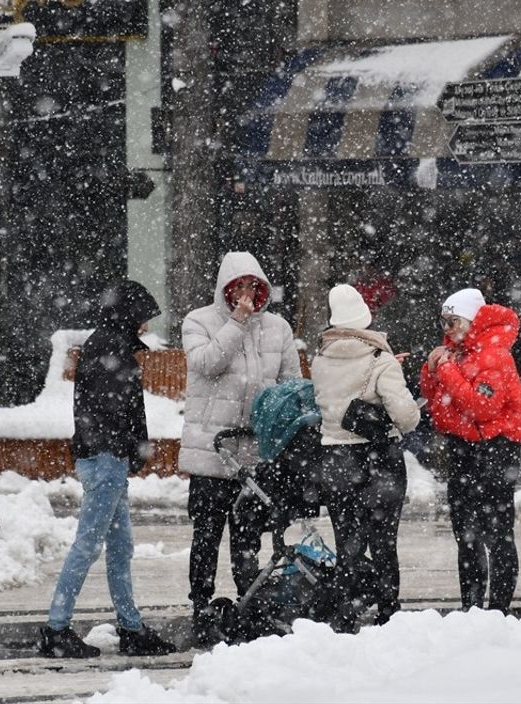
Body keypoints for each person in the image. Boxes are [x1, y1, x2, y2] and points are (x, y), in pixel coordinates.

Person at [37, 280, 177, 659]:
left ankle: (130, 627)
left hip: (103, 458)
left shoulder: (107, 344)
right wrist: (129, 448)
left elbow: (111, 409)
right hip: (105, 460)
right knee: (88, 545)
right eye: (144, 318)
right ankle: (56, 629)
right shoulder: (111, 348)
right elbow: (116, 410)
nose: (146, 326)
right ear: (129, 314)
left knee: (119, 547)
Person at [179, 252, 302, 644]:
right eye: (240, 287)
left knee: (248, 535)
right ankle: (201, 604)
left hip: (254, 453)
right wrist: (237, 323)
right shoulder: (198, 321)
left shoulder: (278, 328)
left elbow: (291, 386)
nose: (248, 295)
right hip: (210, 451)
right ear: (226, 289)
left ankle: (248, 606)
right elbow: (208, 363)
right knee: (207, 534)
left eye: (255, 287)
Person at [310, 284, 421, 630]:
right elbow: (406, 416)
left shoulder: (320, 358)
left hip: (334, 458)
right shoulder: (380, 359)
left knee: (348, 543)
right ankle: (388, 612)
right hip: (378, 460)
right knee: (384, 542)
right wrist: (392, 374)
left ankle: (347, 611)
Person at [420, 288, 521, 615]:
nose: (447, 329)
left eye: (453, 321)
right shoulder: (458, 353)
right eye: (444, 322)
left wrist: (444, 369)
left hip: (496, 449)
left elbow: (479, 406)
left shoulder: (495, 354)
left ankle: (497, 610)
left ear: (471, 321)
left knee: (496, 533)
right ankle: (471, 607)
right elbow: (433, 395)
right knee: (465, 534)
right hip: (464, 448)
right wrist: (431, 368)